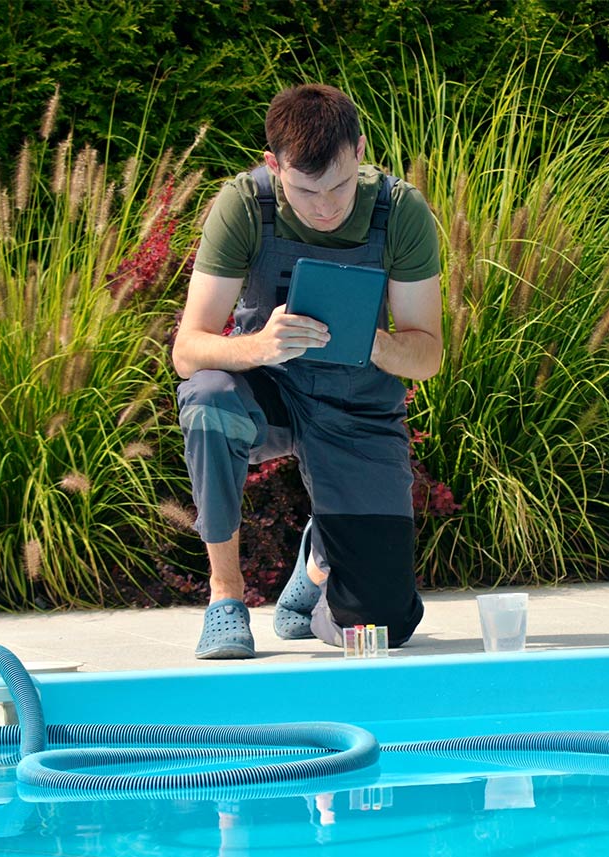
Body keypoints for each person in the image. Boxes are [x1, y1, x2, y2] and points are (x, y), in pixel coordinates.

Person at [172, 83, 443, 659]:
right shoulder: (244, 203)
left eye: (341, 185)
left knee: (381, 628)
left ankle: (320, 563)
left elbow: (429, 355)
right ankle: (226, 597)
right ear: (274, 166)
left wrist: (372, 342)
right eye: (305, 190)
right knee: (208, 398)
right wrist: (259, 348)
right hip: (269, 390)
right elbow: (187, 349)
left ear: (361, 150)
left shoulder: (402, 211)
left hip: (359, 407)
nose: (325, 206)